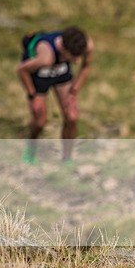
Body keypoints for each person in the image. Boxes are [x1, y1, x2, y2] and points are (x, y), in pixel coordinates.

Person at [16, 26, 94, 164]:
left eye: (78, 57)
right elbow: (22, 70)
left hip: (61, 74)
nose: (76, 61)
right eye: (73, 57)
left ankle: (67, 158)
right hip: (38, 77)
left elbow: (86, 67)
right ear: (63, 49)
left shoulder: (86, 46)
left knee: (72, 116)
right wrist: (32, 96)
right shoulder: (46, 56)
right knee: (40, 120)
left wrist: (73, 92)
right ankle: (30, 150)